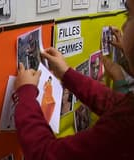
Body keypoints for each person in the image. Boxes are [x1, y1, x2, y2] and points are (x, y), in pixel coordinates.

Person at [13, 1, 134, 159]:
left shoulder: (126, 127)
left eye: (129, 15)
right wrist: (67, 74)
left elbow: (45, 154)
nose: (124, 27)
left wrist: (26, 95)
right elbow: (114, 103)